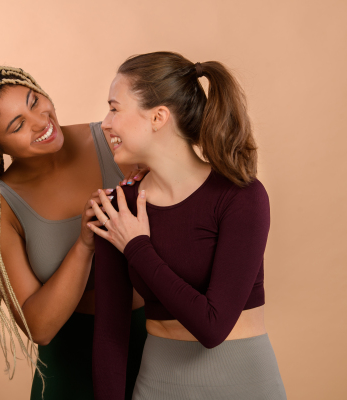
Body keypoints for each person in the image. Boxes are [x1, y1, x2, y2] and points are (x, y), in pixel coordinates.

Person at [0, 64, 148, 399]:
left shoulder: (113, 139)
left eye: (34, 101)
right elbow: (39, 327)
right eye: (18, 125)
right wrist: (84, 244)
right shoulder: (2, 207)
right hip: (71, 363)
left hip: (157, 339)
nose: (41, 122)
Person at [88, 52, 287, 399]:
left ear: (158, 117)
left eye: (115, 108)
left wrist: (137, 247)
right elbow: (110, 333)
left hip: (245, 383)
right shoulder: (119, 209)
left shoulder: (241, 197)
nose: (105, 123)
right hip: (158, 383)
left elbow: (213, 328)